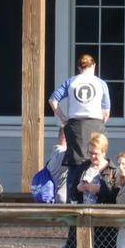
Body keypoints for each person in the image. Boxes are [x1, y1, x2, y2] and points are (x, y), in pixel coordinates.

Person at [57, 132, 117, 248]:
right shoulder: (84, 167)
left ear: (104, 151)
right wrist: (78, 188)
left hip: (102, 226)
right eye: (90, 152)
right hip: (82, 222)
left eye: (96, 153)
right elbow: (73, 192)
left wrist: (96, 189)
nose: (92, 156)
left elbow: (114, 196)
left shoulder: (112, 170)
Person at [49, 54, 111, 191]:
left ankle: (73, 196)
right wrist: (101, 123)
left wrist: (64, 118)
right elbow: (106, 111)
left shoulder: (71, 81)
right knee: (97, 159)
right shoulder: (101, 83)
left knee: (75, 162)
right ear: (94, 66)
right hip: (96, 124)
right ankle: (100, 190)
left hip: (75, 126)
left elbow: (53, 100)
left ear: (78, 67)